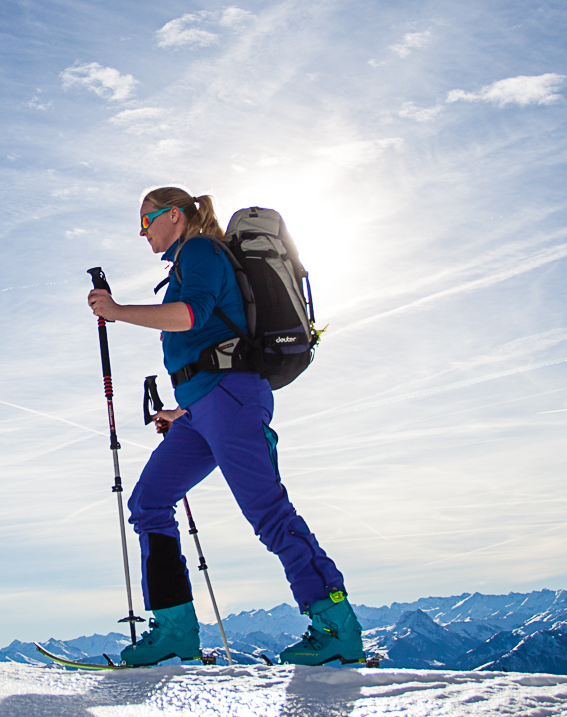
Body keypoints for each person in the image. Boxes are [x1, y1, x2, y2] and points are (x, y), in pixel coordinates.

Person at [85, 186, 364, 667]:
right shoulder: (187, 260)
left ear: (174, 215)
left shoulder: (201, 250)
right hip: (204, 407)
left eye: (147, 220)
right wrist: (182, 411)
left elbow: (190, 315)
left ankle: (336, 627)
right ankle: (175, 630)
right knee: (149, 502)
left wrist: (117, 311)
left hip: (230, 400)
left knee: (268, 513)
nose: (143, 231)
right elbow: (203, 336)